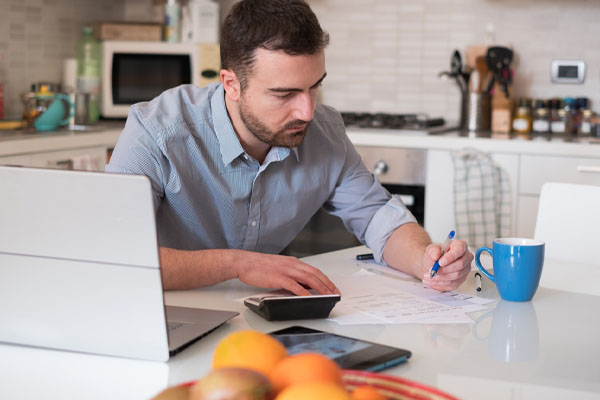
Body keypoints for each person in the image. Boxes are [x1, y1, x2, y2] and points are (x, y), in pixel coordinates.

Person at [106, 0, 473, 296]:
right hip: (161, 311)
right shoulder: (156, 132)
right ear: (231, 84)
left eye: (314, 86)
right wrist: (238, 263)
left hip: (258, 314)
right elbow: (113, 253)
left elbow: (380, 218)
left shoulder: (325, 133)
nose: (307, 110)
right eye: (284, 94)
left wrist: (427, 260)